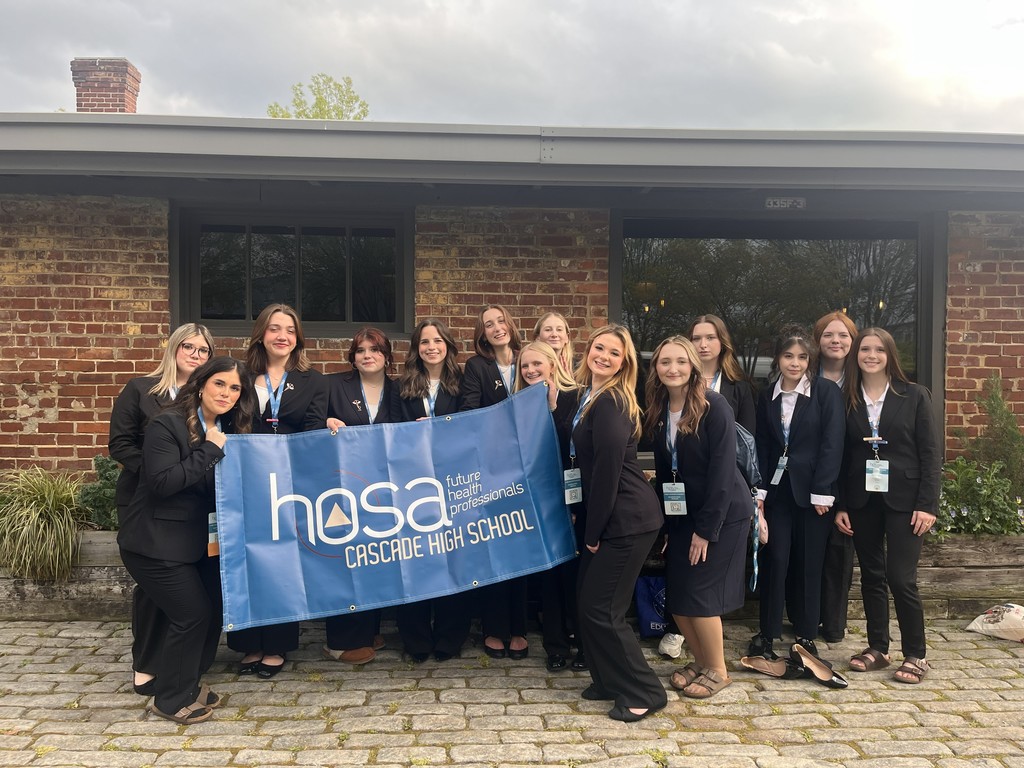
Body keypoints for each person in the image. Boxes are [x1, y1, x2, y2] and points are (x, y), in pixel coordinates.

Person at [117, 356, 255, 723]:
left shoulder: (227, 428)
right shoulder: (167, 425)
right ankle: (169, 699)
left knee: (210, 614)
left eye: (235, 388)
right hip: (154, 542)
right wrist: (210, 450)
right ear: (202, 384)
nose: (227, 393)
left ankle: (187, 684)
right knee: (191, 615)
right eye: (220, 384)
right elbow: (163, 483)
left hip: (197, 541)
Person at [108, 322, 215, 696]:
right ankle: (146, 664)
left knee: (189, 585)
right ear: (173, 348)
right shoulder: (140, 389)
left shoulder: (206, 397)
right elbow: (120, 444)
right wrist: (159, 470)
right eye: (189, 347)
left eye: (203, 351)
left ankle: (181, 665)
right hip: (144, 499)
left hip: (191, 506)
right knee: (153, 589)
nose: (196, 355)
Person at [645, 336, 752, 702]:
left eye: (680, 361)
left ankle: (719, 671)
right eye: (664, 362)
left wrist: (706, 531)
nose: (672, 368)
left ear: (692, 365)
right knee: (679, 597)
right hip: (682, 517)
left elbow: (723, 473)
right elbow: (664, 472)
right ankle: (701, 662)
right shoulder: (658, 410)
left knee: (702, 596)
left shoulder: (714, 405)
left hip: (721, 514)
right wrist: (670, 527)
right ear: (656, 369)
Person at [227, 303, 328, 679]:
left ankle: (277, 644)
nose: (282, 335)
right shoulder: (238, 375)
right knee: (248, 559)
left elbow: (314, 429)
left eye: (289, 329)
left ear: (297, 337)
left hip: (289, 483)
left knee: (282, 561)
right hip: (245, 479)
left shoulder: (314, 380)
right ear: (261, 334)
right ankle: (248, 643)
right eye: (274, 328)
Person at [836, 328, 940, 684]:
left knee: (901, 577)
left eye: (879, 349)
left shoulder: (913, 395)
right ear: (856, 355)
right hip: (863, 499)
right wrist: (842, 504)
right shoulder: (847, 397)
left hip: (906, 501)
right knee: (872, 576)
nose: (871, 355)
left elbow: (930, 453)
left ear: (890, 355)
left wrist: (928, 505)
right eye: (865, 349)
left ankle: (916, 654)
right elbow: (843, 454)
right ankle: (878, 647)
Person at [574, 324, 667, 722]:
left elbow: (609, 471)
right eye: (600, 348)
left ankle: (644, 690)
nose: (605, 357)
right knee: (587, 602)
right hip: (615, 515)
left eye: (615, 353)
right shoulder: (590, 396)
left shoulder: (612, 401)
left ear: (625, 362)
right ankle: (609, 680)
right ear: (588, 351)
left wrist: (593, 532)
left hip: (626, 518)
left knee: (602, 609)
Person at [746, 326, 844, 663]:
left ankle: (805, 633)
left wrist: (822, 491)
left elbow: (833, 443)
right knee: (776, 559)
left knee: (808, 564)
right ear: (778, 358)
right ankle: (768, 632)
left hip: (813, 495)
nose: (795, 363)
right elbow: (761, 441)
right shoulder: (766, 394)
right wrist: (758, 489)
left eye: (802, 357)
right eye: (789, 356)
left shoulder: (826, 392)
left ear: (811, 360)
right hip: (776, 493)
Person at [321, 327, 401, 664]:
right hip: (343, 485)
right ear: (352, 357)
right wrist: (325, 422)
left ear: (386, 356)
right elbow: (312, 422)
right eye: (360, 350)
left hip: (384, 487)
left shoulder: (400, 390)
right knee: (345, 558)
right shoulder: (334, 386)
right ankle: (339, 641)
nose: (367, 355)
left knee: (375, 555)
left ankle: (368, 629)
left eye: (374, 349)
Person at [395, 319, 470, 661]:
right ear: (416, 348)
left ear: (448, 346)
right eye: (424, 341)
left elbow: (473, 421)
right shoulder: (402, 386)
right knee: (416, 557)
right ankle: (416, 639)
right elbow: (391, 430)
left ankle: (450, 637)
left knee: (453, 555)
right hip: (413, 483)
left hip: (454, 481)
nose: (431, 347)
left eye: (437, 340)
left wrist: (441, 427)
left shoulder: (464, 382)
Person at [460, 304, 529, 659]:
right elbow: (470, 409)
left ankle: (518, 627)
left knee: (520, 548)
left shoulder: (528, 358)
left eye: (501, 321)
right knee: (493, 545)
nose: (497, 328)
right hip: (490, 470)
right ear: (482, 334)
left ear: (511, 325)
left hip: (528, 468)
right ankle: (494, 627)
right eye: (489, 324)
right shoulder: (477, 367)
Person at [513, 340, 584, 672]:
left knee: (577, 578)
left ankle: (583, 644)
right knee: (551, 577)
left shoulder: (576, 397)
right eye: (524, 366)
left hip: (572, 498)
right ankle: (556, 647)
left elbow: (572, 445)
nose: (530, 370)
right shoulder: (517, 404)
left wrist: (553, 408)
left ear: (552, 364)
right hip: (539, 501)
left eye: (536, 364)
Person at [813, 311, 860, 643]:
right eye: (829, 335)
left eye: (843, 335)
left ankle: (832, 623)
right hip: (808, 480)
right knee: (809, 552)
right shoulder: (803, 378)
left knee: (839, 553)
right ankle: (805, 617)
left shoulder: (861, 382)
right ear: (818, 340)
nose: (836, 341)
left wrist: (842, 498)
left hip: (849, 481)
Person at [688, 314, 756, 433]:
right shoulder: (681, 382)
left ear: (722, 341)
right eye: (696, 338)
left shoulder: (740, 387)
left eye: (710, 337)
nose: (703, 345)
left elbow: (747, 436)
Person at [532, 311, 575, 380]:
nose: (554, 334)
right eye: (548, 330)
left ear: (567, 337)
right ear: (537, 337)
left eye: (559, 329)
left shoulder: (578, 369)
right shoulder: (529, 367)